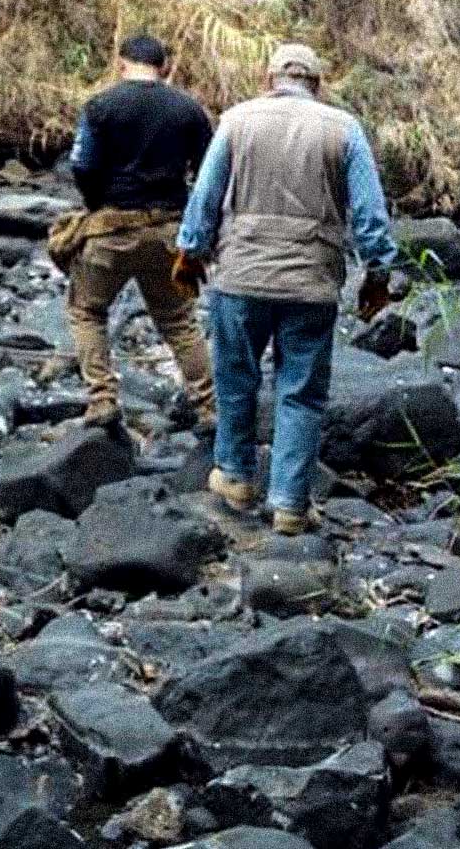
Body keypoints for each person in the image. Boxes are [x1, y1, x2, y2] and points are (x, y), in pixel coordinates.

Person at [174, 43, 397, 535]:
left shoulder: (237, 120)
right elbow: (369, 213)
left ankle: (235, 476)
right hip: (311, 282)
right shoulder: (344, 129)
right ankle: (291, 504)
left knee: (236, 378)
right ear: (318, 84)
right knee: (301, 393)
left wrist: (190, 251)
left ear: (268, 79)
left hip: (242, 275)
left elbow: (205, 195)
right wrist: (377, 273)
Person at [66, 34, 215, 428]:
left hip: (111, 227)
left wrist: (96, 202)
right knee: (179, 322)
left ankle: (101, 398)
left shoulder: (100, 106)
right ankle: (208, 406)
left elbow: (82, 165)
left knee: (87, 311)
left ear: (121, 64)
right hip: (168, 230)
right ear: (163, 67)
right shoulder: (188, 109)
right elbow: (208, 174)